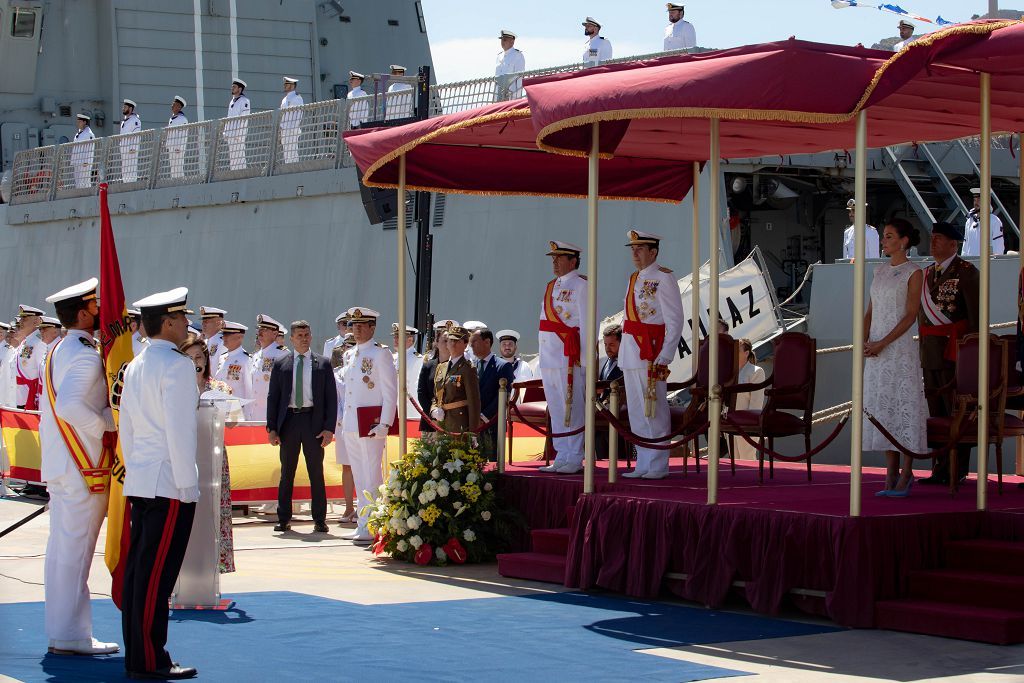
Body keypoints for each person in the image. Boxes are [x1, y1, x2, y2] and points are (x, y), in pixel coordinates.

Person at [119, 286, 199, 681]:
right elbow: (181, 433)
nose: (187, 324)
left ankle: (138, 653)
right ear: (167, 322)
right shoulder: (177, 366)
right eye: (181, 318)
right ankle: (151, 659)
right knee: (156, 576)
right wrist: (188, 486)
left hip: (142, 479)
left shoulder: (135, 365)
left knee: (140, 572)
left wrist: (136, 469)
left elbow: (127, 428)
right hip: (169, 483)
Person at [39, 278, 119, 657]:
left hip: (63, 463)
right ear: (85, 313)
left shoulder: (59, 347)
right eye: (96, 304)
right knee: (75, 551)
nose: (102, 308)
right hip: (81, 465)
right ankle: (71, 633)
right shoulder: (85, 353)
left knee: (62, 550)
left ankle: (62, 629)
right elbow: (70, 406)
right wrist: (106, 421)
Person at [862, 219, 928, 496]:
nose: (883, 241)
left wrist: (883, 342)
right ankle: (889, 472)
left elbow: (910, 315)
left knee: (904, 403)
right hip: (876, 349)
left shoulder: (914, 272)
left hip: (899, 349)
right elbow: (871, 310)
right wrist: (865, 340)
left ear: (903, 241)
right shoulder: (878, 271)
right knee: (883, 405)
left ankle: (907, 472)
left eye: (889, 236)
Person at [918, 221, 979, 486]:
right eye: (932, 238)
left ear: (954, 244)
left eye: (939, 238)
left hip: (954, 355)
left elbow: (975, 317)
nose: (933, 243)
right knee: (935, 413)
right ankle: (939, 467)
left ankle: (957, 469)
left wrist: (970, 356)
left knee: (956, 413)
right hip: (930, 354)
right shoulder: (928, 273)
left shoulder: (966, 272)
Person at [621, 230, 685, 479]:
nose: (635, 253)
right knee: (637, 410)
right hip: (631, 350)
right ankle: (643, 462)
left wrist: (666, 354)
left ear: (653, 252)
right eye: (632, 249)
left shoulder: (664, 277)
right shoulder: (633, 278)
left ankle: (658, 463)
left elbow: (675, 319)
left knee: (654, 409)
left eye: (640, 249)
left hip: (651, 350)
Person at [266, 320, 337, 533]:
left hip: (312, 421)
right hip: (289, 421)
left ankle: (319, 519)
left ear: (311, 336)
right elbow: (273, 397)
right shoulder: (281, 363)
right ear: (292, 339)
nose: (304, 339)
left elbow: (331, 399)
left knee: (316, 471)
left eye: (307, 335)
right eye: (299, 335)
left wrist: (329, 428)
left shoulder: (322, 364)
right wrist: (272, 428)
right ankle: (284, 518)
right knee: (287, 472)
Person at [336, 307, 396, 544]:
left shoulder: (381, 354)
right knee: (360, 476)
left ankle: (374, 523)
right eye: (354, 325)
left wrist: (385, 423)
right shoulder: (350, 354)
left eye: (362, 325)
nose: (357, 330)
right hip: (351, 423)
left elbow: (390, 393)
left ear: (372, 328)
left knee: (372, 476)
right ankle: (363, 522)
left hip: (371, 425)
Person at [179, 333, 235, 574]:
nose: (195, 362)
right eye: (189, 358)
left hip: (213, 456)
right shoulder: (176, 389)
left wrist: (228, 410)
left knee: (213, 511)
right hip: (185, 453)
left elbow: (233, 421)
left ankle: (214, 565)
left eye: (198, 357)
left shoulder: (219, 388)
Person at [536, 241, 587, 473]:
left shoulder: (581, 285)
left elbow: (587, 324)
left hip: (569, 356)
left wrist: (584, 360)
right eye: (552, 258)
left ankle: (575, 457)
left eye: (559, 258)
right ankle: (562, 455)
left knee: (572, 406)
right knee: (556, 408)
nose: (554, 262)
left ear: (573, 261)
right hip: (549, 356)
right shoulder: (550, 286)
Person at [470, 328, 515, 457]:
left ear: (487, 342)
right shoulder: (472, 366)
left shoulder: (503, 366)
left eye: (475, 342)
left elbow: (503, 396)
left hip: (492, 425)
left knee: (491, 465)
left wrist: (483, 417)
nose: (471, 345)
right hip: (473, 424)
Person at [430, 324, 481, 434]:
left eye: (457, 341)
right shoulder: (441, 367)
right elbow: (436, 394)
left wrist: (473, 432)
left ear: (465, 344)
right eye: (450, 340)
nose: (453, 344)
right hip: (441, 423)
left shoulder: (468, 369)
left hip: (459, 424)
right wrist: (434, 409)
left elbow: (474, 403)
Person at [332, 334, 358, 524]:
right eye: (346, 347)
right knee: (347, 466)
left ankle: (364, 507)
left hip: (360, 422)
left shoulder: (362, 369)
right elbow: (335, 400)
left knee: (363, 466)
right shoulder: (337, 373)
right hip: (342, 423)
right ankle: (349, 507)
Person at [730, 338, 766, 461]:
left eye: (737, 350)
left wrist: (751, 425)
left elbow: (756, 402)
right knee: (733, 459)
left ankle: (750, 480)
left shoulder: (756, 372)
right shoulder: (729, 372)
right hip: (730, 421)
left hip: (747, 423)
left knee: (747, 458)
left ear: (746, 353)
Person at [249, 314, 288, 424]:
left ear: (275, 333)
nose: (260, 332)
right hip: (255, 414)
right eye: (259, 328)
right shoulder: (256, 356)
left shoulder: (283, 354)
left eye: (265, 329)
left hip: (273, 415)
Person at [213, 321, 254, 416]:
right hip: (220, 408)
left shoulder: (245, 359)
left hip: (236, 410)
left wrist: (248, 416)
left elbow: (249, 391)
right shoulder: (222, 357)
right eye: (223, 334)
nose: (224, 337)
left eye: (227, 334)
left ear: (240, 337)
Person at [417, 322, 452, 432]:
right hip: (429, 421)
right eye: (445, 341)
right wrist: (432, 413)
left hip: (452, 422)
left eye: (451, 341)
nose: (448, 344)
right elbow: (421, 393)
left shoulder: (459, 366)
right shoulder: (428, 365)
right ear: (436, 343)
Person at [15, 304, 45, 409]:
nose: (21, 321)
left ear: (36, 321)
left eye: (25, 318)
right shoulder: (26, 341)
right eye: (21, 318)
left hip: (30, 398)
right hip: (20, 395)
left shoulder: (39, 342)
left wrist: (37, 399)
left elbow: (42, 372)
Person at [391, 323, 423, 422]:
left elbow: (416, 388)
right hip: (393, 411)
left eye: (398, 337)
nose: (395, 340)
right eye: (394, 336)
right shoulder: (393, 358)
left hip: (410, 412)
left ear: (410, 340)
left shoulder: (417, 359)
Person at [962, 187, 1004, 257]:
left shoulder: (994, 221)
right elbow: (965, 245)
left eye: (979, 200)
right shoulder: (969, 221)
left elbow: (998, 246)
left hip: (985, 265)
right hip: (971, 264)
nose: (976, 202)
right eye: (975, 200)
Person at [224, 78, 251, 170]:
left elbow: (244, 118)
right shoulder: (232, 101)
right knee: (233, 158)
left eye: (234, 87)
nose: (232, 88)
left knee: (239, 157)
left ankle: (241, 174)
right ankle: (234, 174)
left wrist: (240, 135)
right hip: (231, 134)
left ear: (240, 89)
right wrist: (226, 132)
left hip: (238, 135)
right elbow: (229, 118)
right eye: (232, 87)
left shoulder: (244, 101)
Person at [279, 76, 304, 164]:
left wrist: (292, 129)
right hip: (285, 131)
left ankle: (293, 169)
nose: (285, 86)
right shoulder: (284, 100)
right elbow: (283, 117)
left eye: (287, 84)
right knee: (286, 154)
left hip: (292, 130)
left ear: (292, 86)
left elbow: (298, 116)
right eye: (285, 84)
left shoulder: (297, 98)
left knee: (293, 153)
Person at [495, 30, 526, 100]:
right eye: (501, 40)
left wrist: (513, 97)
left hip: (511, 97)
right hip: (499, 97)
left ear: (512, 41)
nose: (502, 42)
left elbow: (519, 78)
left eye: (505, 40)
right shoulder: (499, 56)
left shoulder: (518, 55)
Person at [118, 99, 142, 183]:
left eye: (125, 107)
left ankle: (131, 186)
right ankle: (126, 185)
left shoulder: (135, 120)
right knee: (124, 170)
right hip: (124, 150)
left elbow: (136, 134)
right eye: (123, 107)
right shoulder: (125, 121)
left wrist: (133, 148)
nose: (123, 108)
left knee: (131, 169)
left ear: (130, 109)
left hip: (131, 150)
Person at [166, 96, 189, 179]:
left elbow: (183, 135)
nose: (172, 106)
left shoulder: (182, 119)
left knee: (178, 168)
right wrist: (168, 145)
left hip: (177, 149)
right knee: (173, 168)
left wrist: (179, 147)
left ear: (179, 107)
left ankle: (180, 184)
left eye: (174, 105)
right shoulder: (172, 118)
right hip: (172, 148)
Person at [70, 113, 96, 190]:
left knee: (84, 182)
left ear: (85, 122)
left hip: (84, 163)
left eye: (79, 121)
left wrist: (87, 161)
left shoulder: (89, 134)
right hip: (77, 162)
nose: (78, 123)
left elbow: (90, 148)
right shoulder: (79, 134)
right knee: (78, 183)